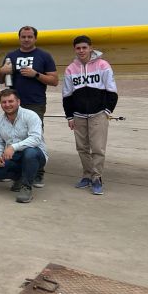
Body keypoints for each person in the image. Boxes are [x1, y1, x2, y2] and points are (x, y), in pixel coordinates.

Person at [0, 25, 58, 188]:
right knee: (11, 136)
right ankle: (16, 170)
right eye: (23, 37)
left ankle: (38, 173)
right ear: (19, 38)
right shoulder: (11, 56)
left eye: (30, 37)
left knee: (35, 138)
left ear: (35, 38)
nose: (26, 39)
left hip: (35, 103)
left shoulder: (44, 56)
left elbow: (54, 80)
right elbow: (1, 80)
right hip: (12, 103)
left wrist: (35, 74)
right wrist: (2, 71)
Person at [62, 35, 118, 196]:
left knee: (98, 148)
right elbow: (67, 95)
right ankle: (87, 175)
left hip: (98, 114)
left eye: (84, 47)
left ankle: (97, 178)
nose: (81, 51)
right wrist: (69, 116)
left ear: (91, 48)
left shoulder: (103, 65)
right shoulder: (70, 69)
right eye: (78, 48)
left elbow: (112, 90)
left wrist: (107, 111)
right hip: (78, 115)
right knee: (82, 147)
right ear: (75, 50)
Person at [0, 89, 48, 204]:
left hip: (35, 155)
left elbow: (36, 139)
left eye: (11, 101)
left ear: (18, 102)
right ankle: (20, 178)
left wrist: (13, 147)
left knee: (30, 153)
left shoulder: (30, 115)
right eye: (4, 102)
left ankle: (26, 187)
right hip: (14, 156)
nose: (7, 105)